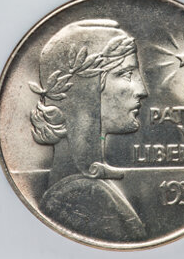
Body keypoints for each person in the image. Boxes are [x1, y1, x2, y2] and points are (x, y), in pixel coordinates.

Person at [28, 19, 149, 243]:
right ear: (87, 91)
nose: (142, 90)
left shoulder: (85, 188)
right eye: (126, 74)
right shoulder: (83, 196)